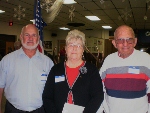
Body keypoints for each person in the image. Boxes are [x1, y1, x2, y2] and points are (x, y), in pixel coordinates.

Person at [42, 29, 104, 113]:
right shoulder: (56, 70)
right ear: (66, 49)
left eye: (78, 45)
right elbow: (47, 96)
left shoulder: (92, 70)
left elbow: (98, 96)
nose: (74, 48)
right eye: (71, 45)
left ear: (83, 50)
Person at [0, 24, 54, 113]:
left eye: (34, 35)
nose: (30, 38)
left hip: (40, 110)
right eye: (27, 35)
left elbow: (53, 90)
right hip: (13, 110)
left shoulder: (48, 62)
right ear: (21, 37)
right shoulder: (7, 60)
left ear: (38, 38)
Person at [99, 25, 150, 113]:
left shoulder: (146, 59)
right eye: (120, 40)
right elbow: (99, 88)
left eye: (129, 40)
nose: (125, 44)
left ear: (135, 41)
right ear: (114, 43)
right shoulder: (108, 60)